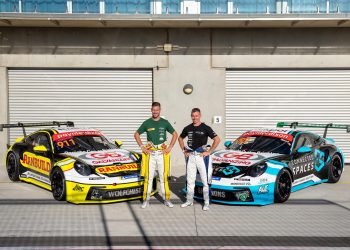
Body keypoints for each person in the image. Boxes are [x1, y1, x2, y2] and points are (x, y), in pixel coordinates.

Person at [134, 102, 178, 209]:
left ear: (160, 110)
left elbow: (175, 134)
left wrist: (170, 147)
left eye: (157, 110)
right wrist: (142, 147)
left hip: (162, 154)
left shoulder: (165, 122)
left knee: (163, 177)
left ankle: (167, 199)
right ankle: (146, 200)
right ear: (151, 110)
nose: (155, 112)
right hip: (151, 154)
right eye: (153, 110)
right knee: (148, 178)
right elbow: (136, 134)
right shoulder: (147, 123)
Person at [178, 108, 220, 211]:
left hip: (202, 157)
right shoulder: (187, 128)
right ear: (191, 116)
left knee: (205, 181)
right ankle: (189, 200)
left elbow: (217, 139)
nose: (194, 117)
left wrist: (209, 152)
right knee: (190, 180)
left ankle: (206, 203)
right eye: (193, 116)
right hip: (191, 157)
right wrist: (184, 150)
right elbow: (180, 138)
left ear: (200, 115)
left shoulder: (206, 127)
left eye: (196, 115)